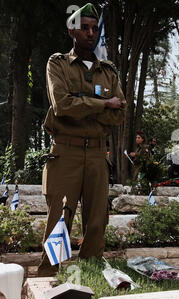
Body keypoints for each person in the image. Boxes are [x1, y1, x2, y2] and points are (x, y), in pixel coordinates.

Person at [38, 3, 126, 276]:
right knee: (59, 220)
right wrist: (102, 104)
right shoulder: (58, 64)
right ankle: (49, 277)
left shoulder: (108, 71)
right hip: (66, 153)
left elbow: (120, 113)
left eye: (94, 28)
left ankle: (90, 273)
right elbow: (62, 106)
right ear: (72, 31)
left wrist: (84, 106)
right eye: (84, 28)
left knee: (97, 220)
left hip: (98, 156)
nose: (91, 33)